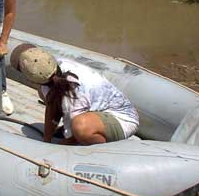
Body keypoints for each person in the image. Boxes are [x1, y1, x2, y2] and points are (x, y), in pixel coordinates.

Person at [11, 45, 139, 145]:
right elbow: (51, 106)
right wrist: (47, 139)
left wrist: (57, 147)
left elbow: (70, 131)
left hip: (123, 119)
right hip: (93, 109)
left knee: (80, 127)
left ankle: (98, 148)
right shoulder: (56, 67)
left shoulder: (72, 97)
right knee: (46, 95)